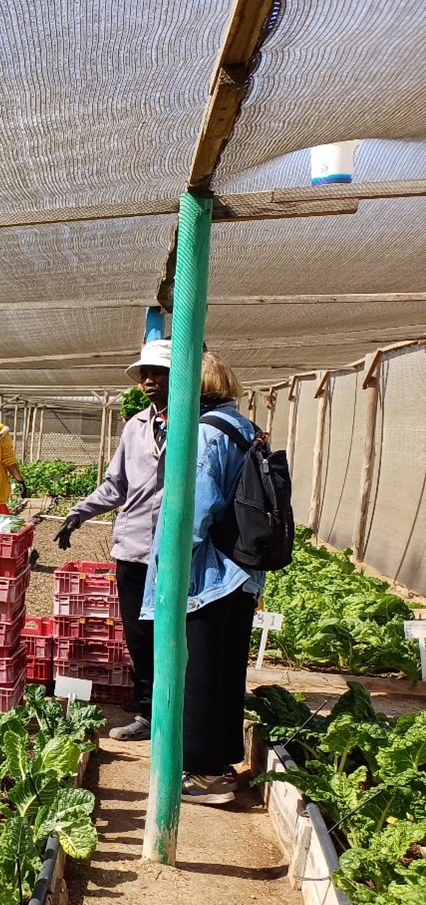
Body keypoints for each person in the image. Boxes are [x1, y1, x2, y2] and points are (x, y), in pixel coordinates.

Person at [140, 352, 263, 805]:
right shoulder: (243, 426)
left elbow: (194, 510)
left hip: (207, 573)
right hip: (241, 570)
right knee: (227, 669)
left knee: (199, 670)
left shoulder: (206, 432)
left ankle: (205, 775)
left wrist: (171, 564)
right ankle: (222, 763)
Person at [56, 340, 170, 741]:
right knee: (138, 633)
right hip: (136, 546)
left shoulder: (198, 427)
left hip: (179, 551)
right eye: (145, 375)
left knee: (173, 634)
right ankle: (145, 709)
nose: (149, 381)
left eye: (159, 373)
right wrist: (79, 512)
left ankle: (173, 712)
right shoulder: (136, 426)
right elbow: (115, 485)